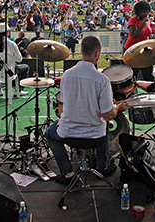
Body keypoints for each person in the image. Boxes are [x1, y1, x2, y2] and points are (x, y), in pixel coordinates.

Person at [45, 36, 129, 184]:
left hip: (68, 133)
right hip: (94, 136)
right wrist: (117, 107)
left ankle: (67, 173)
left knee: (49, 134)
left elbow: (65, 101)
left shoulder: (66, 75)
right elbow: (107, 115)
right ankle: (102, 166)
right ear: (97, 53)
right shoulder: (102, 79)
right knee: (104, 123)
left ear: (81, 50)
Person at [0, 23, 29, 97]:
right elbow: (19, 60)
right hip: (10, 72)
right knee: (26, 67)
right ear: (7, 32)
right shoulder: (12, 44)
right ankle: (18, 89)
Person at [124, 1, 154, 81]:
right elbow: (134, 34)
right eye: (143, 12)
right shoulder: (133, 20)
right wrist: (142, 24)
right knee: (132, 73)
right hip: (132, 49)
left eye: (147, 11)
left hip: (144, 49)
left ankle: (151, 91)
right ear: (138, 12)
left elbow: (147, 33)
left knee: (148, 73)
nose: (146, 14)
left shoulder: (148, 20)